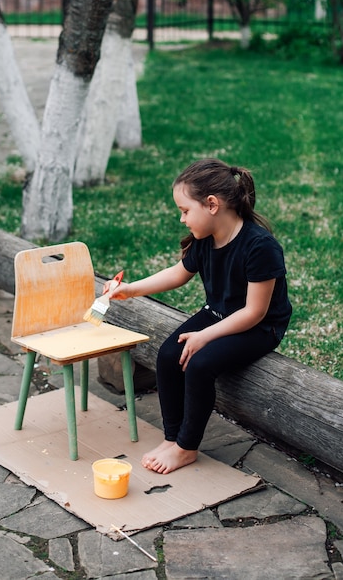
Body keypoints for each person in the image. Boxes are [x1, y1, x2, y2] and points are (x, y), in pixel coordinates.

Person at [106, 158, 292, 475]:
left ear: (211, 204)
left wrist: (206, 336)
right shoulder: (205, 239)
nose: (182, 219)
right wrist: (131, 290)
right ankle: (172, 437)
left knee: (200, 364)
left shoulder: (260, 246)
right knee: (168, 355)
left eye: (185, 210)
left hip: (259, 327)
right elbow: (179, 273)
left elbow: (254, 311)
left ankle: (186, 447)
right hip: (218, 314)